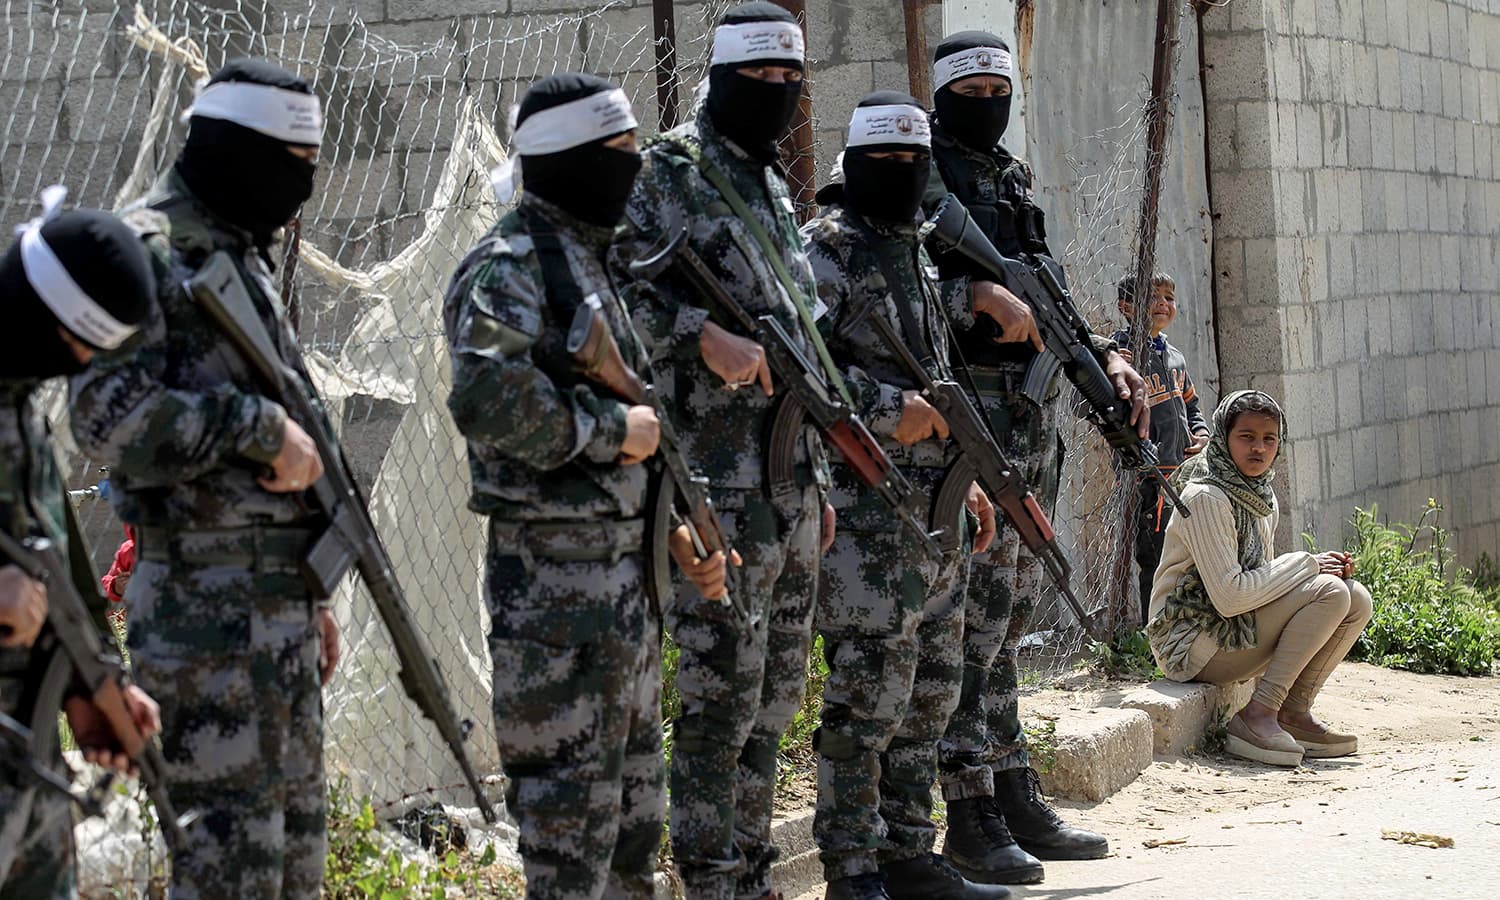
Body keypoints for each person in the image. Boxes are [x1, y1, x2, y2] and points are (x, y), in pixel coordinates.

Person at [444, 72, 730, 900]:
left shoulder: (590, 265)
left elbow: (635, 452)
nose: (634, 170)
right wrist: (611, 433)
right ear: (568, 159)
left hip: (624, 596)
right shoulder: (508, 267)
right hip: (557, 605)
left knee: (633, 840)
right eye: (620, 155)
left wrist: (674, 536)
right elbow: (483, 397)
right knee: (572, 846)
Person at [69, 58, 342, 898]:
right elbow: (104, 415)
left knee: (295, 864)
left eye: (312, 161)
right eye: (287, 161)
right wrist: (253, 431)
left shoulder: (241, 253)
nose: (300, 184)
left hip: (278, 615)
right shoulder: (145, 253)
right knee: (228, 873)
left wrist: (314, 590)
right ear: (232, 148)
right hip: (201, 624)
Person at [616, 4, 838, 897]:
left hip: (785, 479)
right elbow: (606, 294)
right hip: (712, 480)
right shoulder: (667, 172)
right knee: (719, 698)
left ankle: (750, 867)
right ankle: (712, 874)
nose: (779, 97)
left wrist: (817, 476)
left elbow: (801, 343)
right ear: (725, 78)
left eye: (793, 82)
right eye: (762, 82)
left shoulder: (770, 183)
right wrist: (696, 332)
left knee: (777, 695)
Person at [923, 30, 1136, 882]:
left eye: (997, 86)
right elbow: (876, 286)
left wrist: (1104, 354)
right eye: (968, 88)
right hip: (960, 426)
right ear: (941, 95)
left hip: (1023, 420)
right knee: (969, 621)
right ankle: (967, 808)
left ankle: (1011, 786)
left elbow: (1039, 276)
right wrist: (971, 292)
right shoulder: (915, 174)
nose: (987, 100)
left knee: (1006, 619)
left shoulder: (1006, 178)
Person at [802, 93, 1007, 900]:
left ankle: (910, 854)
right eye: (884, 163)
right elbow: (804, 370)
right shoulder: (825, 250)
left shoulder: (916, 249)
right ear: (852, 166)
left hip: (937, 511)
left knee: (931, 688)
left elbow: (938, 377)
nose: (901, 175)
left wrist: (971, 478)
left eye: (913, 162)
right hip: (864, 510)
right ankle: (853, 866)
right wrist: (893, 414)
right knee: (866, 697)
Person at [0, 193, 160, 897]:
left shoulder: (17, 406)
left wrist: (88, 684)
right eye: (77, 347)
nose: (78, 367)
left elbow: (49, 564)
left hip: (24, 758)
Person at [1146, 390, 1371, 767]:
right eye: (1246, 437)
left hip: (1230, 632)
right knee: (1329, 592)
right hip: (1190, 644)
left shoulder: (1260, 496)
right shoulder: (1207, 496)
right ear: (1222, 437)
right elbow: (1231, 596)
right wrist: (1306, 564)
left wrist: (1311, 569)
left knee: (1356, 596)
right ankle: (1258, 715)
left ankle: (1293, 714)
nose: (1259, 448)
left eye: (1269, 439)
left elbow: (1261, 583)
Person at [1111, 272, 1210, 624]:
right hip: (1146, 476)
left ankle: (1185, 624)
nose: (1163, 304)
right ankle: (1154, 631)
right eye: (1154, 297)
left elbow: (1193, 405)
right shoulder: (1121, 354)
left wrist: (1200, 434)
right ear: (1127, 307)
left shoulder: (1175, 357)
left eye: (1169, 297)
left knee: (1187, 553)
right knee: (1153, 557)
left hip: (1181, 473)